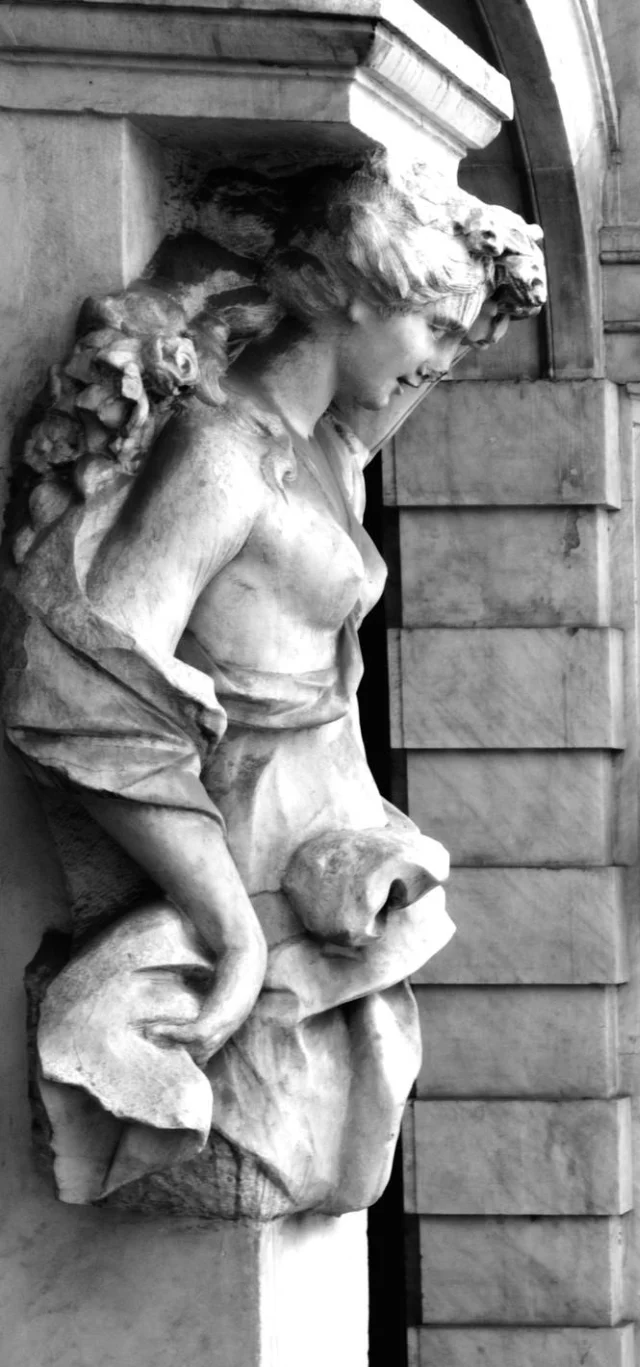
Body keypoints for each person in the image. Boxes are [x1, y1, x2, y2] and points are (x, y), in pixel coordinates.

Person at [2, 154, 546, 1217]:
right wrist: (229, 929)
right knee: (258, 1157)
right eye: (434, 332)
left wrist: (489, 272)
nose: (439, 365)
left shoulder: (331, 447)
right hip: (243, 870)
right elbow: (89, 692)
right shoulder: (220, 457)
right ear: (349, 295)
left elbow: (407, 367)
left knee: (342, 1129)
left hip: (326, 862)